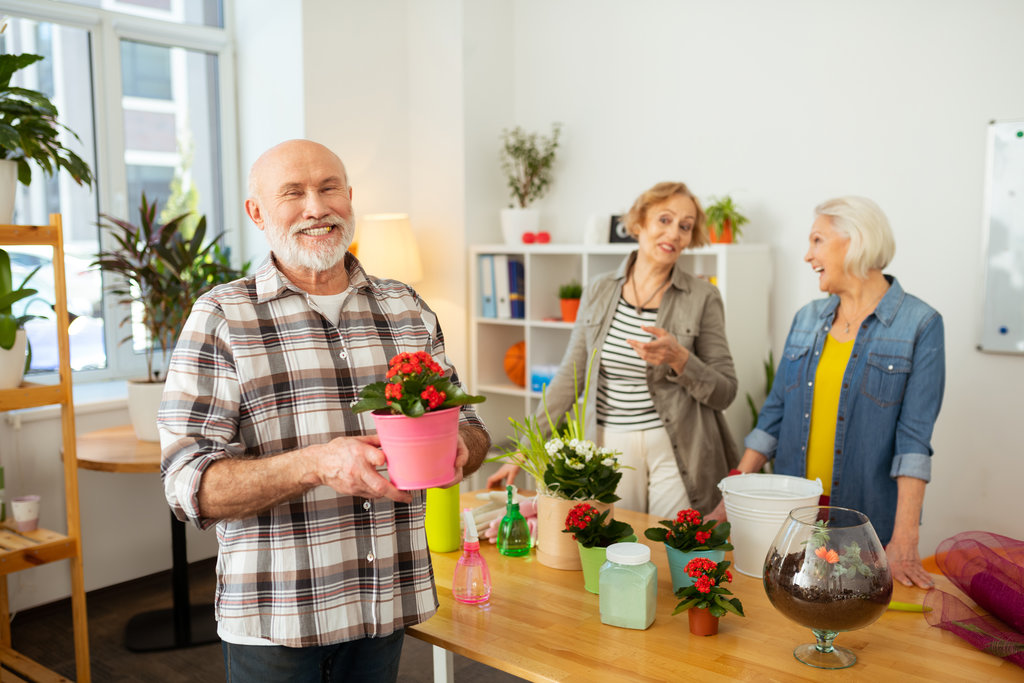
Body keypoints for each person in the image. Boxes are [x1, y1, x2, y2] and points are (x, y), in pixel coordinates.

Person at [159, 139, 490, 682]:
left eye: (328, 187)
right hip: (277, 621)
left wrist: (459, 448)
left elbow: (471, 427)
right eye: (293, 193)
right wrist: (316, 464)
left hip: (385, 607)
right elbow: (190, 487)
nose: (316, 207)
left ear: (350, 198)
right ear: (257, 213)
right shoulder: (221, 317)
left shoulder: (405, 307)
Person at [709, 196, 944, 589]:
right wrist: (727, 498)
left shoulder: (920, 324)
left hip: (863, 526)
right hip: (791, 521)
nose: (807, 255)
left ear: (855, 242)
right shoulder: (806, 320)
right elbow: (774, 416)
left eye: (817, 240)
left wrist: (905, 539)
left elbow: (914, 443)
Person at [488, 181, 739, 517]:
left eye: (685, 226)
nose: (675, 233)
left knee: (670, 545)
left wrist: (680, 358)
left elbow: (725, 391)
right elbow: (570, 376)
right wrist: (523, 450)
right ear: (638, 224)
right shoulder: (599, 290)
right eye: (664, 220)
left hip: (677, 445)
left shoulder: (702, 297)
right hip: (611, 443)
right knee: (618, 546)